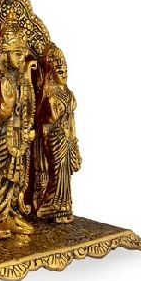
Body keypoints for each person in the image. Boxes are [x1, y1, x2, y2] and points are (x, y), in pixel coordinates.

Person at [0, 9, 36, 239]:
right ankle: (0, 218)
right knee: (0, 177)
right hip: (2, 136)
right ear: (5, 53)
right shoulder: (0, 78)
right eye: (17, 53)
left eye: (23, 53)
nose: (22, 58)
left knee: (17, 177)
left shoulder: (22, 79)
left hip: (20, 137)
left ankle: (12, 213)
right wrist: (4, 111)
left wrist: (28, 128)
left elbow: (29, 107)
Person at [37, 43, 82, 223]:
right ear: (51, 72)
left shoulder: (68, 94)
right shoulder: (49, 94)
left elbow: (71, 120)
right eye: (59, 71)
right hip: (55, 137)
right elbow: (44, 119)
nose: (64, 75)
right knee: (57, 173)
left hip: (67, 137)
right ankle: (52, 205)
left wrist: (74, 140)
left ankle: (64, 206)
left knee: (65, 173)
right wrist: (52, 113)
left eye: (65, 71)